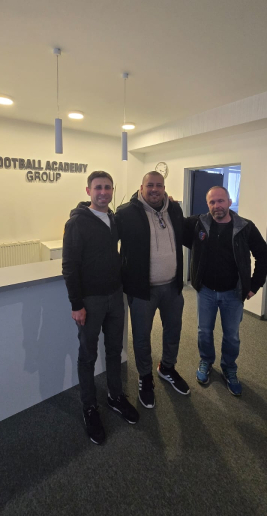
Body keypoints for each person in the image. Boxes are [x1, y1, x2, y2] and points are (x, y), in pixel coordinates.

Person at [62, 170, 139, 444]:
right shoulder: (77, 223)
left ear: (112, 190)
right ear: (88, 191)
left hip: (115, 296)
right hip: (90, 301)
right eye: (98, 188)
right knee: (87, 356)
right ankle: (89, 407)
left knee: (115, 350)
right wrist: (76, 304)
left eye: (107, 187)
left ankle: (115, 396)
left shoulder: (113, 219)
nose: (103, 192)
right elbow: (69, 266)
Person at [184, 186, 267, 396]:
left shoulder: (245, 227)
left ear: (229, 202)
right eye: (212, 202)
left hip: (233, 293)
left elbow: (264, 257)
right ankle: (206, 361)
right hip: (206, 291)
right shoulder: (198, 224)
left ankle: (229, 368)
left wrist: (254, 286)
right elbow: (174, 222)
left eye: (221, 201)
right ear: (208, 205)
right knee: (204, 331)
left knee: (231, 336)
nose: (217, 206)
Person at [115, 171, 190, 409]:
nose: (155, 189)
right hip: (141, 290)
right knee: (141, 337)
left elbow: (186, 235)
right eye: (150, 185)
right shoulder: (125, 213)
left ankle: (167, 367)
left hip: (172, 287)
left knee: (173, 331)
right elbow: (107, 241)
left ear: (164, 188)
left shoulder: (174, 209)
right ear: (141, 187)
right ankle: (145, 377)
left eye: (159, 185)